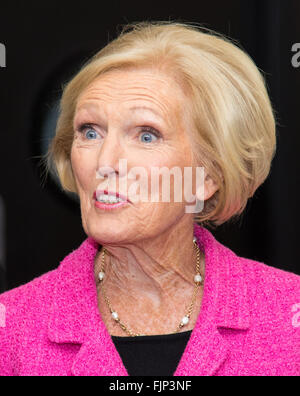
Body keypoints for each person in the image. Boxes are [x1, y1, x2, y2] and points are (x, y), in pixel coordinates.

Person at [0, 21, 299, 376]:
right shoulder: (12, 328)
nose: (105, 163)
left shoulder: (289, 317)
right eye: (90, 131)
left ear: (209, 176)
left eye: (146, 136)